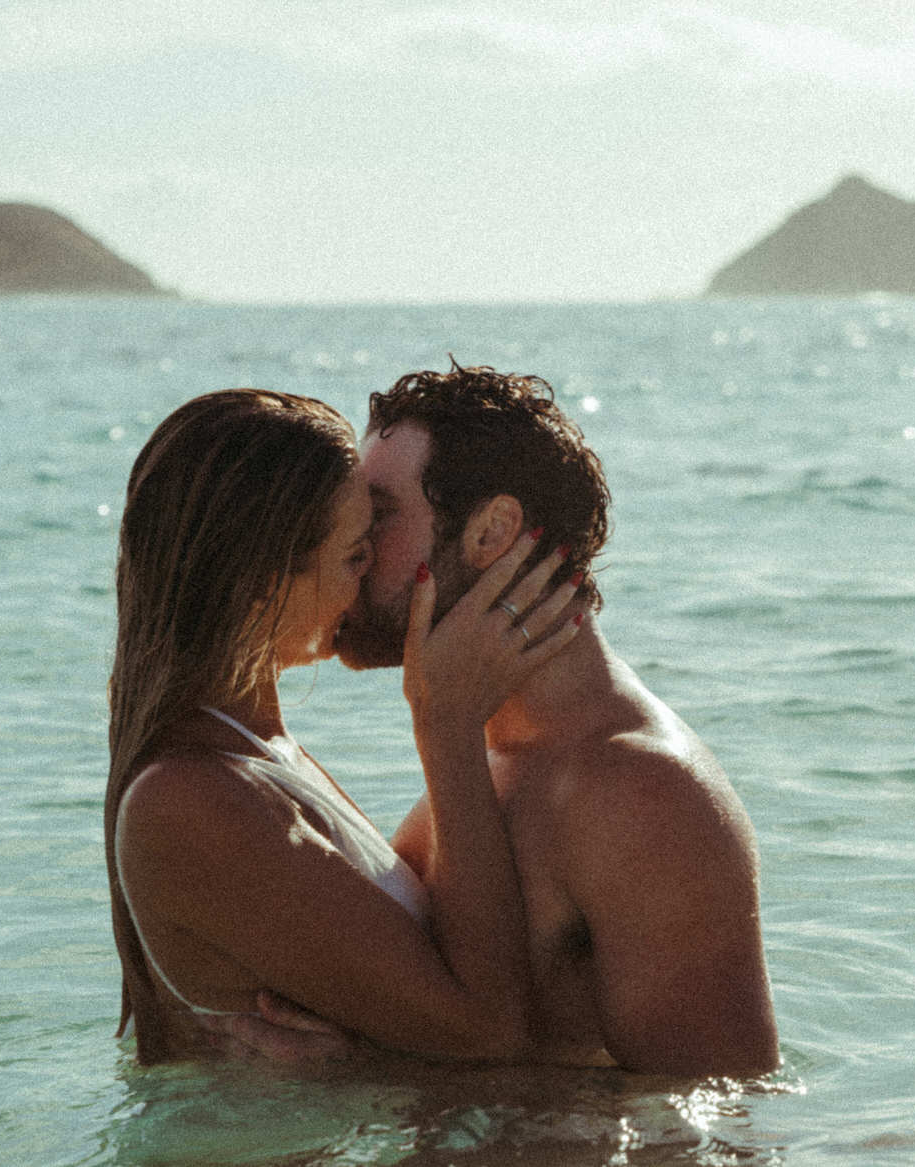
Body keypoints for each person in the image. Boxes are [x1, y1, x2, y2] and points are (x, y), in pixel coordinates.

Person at [213, 364, 780, 1078]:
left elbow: (715, 1128)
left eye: (378, 514)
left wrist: (369, 1078)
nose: (347, 541)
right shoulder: (487, 757)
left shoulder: (640, 792)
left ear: (492, 531)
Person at [103, 387, 583, 1064]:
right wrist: (445, 726)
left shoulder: (260, 751)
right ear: (265, 580)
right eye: (356, 554)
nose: (367, 586)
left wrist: (363, 1068)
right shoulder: (188, 799)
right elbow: (491, 1033)